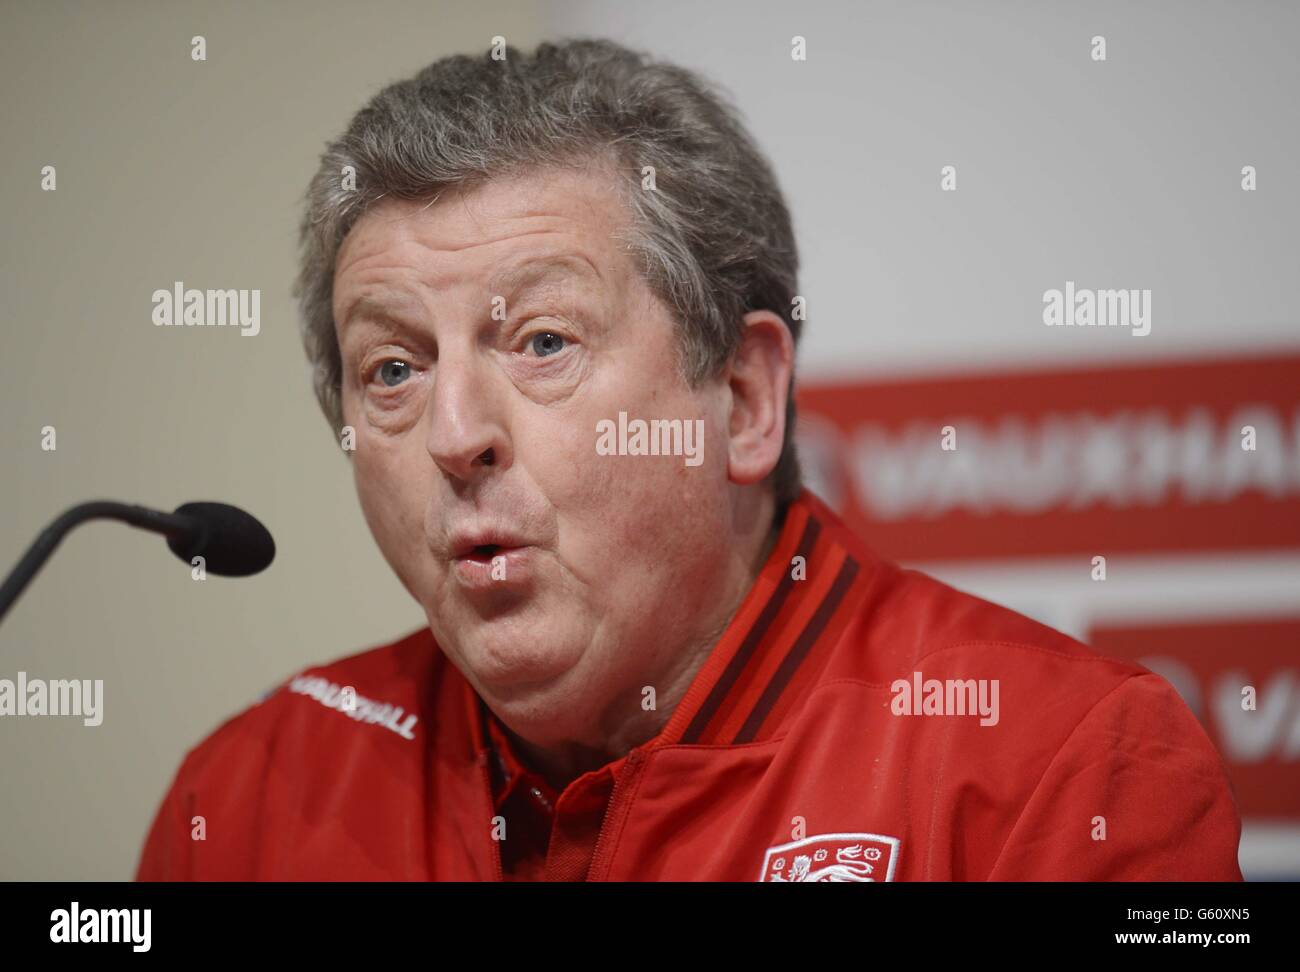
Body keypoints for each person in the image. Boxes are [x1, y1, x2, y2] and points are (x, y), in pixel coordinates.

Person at [136, 38, 1242, 881]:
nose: (451, 434)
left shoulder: (1071, 767)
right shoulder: (248, 795)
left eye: (542, 343)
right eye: (392, 370)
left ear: (744, 398)